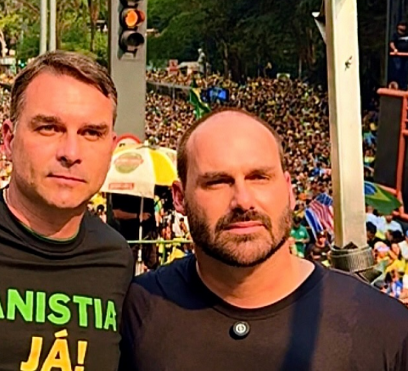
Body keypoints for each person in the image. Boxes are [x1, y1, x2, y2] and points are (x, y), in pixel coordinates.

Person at [119, 108, 408, 371]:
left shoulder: (385, 327)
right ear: (179, 198)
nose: (243, 201)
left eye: (259, 177)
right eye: (217, 182)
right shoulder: (137, 310)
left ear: (289, 191)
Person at [0, 51, 134, 371]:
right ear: (8, 139)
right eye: (49, 128)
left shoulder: (116, 257)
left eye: (91, 133)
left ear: (111, 148)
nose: (71, 152)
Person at [389, 21, 408, 90]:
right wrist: (394, 49)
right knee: (398, 69)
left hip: (406, 56)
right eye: (402, 25)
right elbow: (391, 43)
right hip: (398, 56)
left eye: (405, 25)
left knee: (406, 70)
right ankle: (397, 84)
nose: (403, 27)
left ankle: (405, 85)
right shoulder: (395, 35)